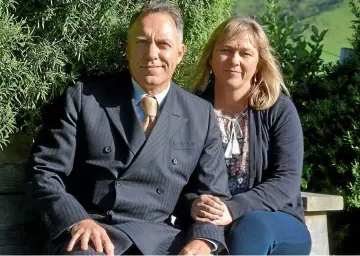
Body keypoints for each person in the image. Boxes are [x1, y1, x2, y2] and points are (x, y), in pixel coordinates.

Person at [25, 2, 232, 255]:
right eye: (142, 42)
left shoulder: (200, 114)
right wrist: (76, 220)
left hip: (161, 238)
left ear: (180, 53)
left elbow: (211, 196)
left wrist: (204, 241)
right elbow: (44, 171)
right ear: (128, 49)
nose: (151, 53)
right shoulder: (85, 98)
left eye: (163, 45)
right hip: (95, 232)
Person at [190, 17, 312, 255]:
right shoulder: (189, 109)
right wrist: (191, 204)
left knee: (249, 227)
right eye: (225, 50)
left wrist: (233, 209)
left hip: (274, 221)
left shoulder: (279, 110)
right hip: (209, 222)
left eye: (245, 53)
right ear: (210, 57)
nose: (234, 60)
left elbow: (286, 180)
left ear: (259, 63)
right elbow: (171, 174)